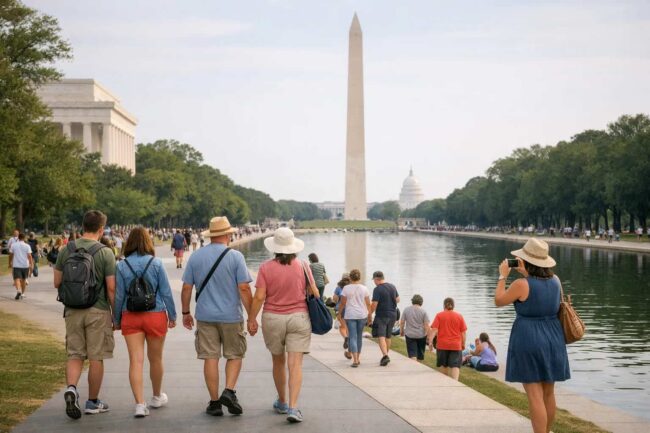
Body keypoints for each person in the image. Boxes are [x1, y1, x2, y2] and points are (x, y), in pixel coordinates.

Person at [495, 238, 570, 433]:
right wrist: (527, 273)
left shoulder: (521, 284)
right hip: (554, 337)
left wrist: (503, 277)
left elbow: (499, 300)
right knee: (548, 393)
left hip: (529, 337)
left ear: (526, 261)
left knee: (534, 395)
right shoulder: (556, 280)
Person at [181, 217, 253, 417]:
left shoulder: (196, 257)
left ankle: (214, 403)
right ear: (228, 234)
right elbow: (244, 288)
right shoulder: (236, 257)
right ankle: (229, 391)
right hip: (231, 316)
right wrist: (252, 316)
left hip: (205, 316)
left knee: (210, 357)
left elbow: (187, 287)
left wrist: (186, 312)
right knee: (235, 354)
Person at [248, 228, 319, 423]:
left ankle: (282, 401)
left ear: (275, 248)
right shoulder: (304, 266)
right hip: (299, 317)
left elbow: (260, 296)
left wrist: (252, 319)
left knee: (278, 361)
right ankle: (294, 408)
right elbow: (316, 294)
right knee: (295, 364)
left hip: (273, 318)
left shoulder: (265, 268)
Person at [53, 210, 117, 419]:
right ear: (101, 229)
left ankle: (72, 388)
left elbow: (57, 282)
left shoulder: (66, 249)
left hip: (72, 310)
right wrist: (115, 314)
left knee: (75, 354)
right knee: (96, 357)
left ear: (82, 226)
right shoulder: (106, 252)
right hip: (97, 310)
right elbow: (111, 288)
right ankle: (93, 401)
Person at [114, 227, 177, 417]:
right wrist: (172, 316)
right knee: (156, 358)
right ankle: (157, 396)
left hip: (131, 316)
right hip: (155, 314)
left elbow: (118, 296)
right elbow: (166, 291)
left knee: (136, 360)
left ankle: (140, 404)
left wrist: (116, 319)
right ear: (148, 242)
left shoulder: (122, 266)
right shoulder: (156, 263)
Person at [337, 269, 371, 368]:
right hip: (362, 315)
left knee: (352, 336)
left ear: (350, 278)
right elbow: (368, 303)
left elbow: (342, 303)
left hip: (350, 315)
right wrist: (369, 315)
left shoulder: (346, 288)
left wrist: (339, 313)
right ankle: (358, 358)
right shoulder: (364, 288)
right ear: (359, 277)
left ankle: (355, 359)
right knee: (359, 336)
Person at [427, 297, 466, 381]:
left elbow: (434, 330)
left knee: (443, 365)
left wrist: (430, 342)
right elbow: (463, 333)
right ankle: (455, 383)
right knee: (455, 366)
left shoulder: (439, 315)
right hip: (456, 345)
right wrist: (463, 344)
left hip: (442, 345)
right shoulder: (459, 316)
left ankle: (444, 385)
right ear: (453, 306)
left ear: (444, 305)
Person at [368, 270, 400, 366]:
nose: (374, 282)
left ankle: (385, 356)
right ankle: (386, 355)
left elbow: (374, 304)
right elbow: (398, 300)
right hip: (393, 314)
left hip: (382, 315)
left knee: (381, 335)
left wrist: (370, 314)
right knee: (388, 336)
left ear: (377, 279)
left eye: (374, 280)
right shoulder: (392, 286)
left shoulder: (377, 289)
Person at [400, 294, 430, 362]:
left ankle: (413, 365)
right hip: (421, 335)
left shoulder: (406, 310)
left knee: (412, 353)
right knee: (420, 354)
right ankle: (418, 367)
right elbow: (426, 325)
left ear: (412, 301)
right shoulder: (423, 311)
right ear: (421, 302)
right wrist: (428, 336)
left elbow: (402, 322)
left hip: (410, 335)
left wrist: (401, 331)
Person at [332, 274, 351, 359]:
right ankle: (348, 338)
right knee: (348, 327)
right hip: (350, 309)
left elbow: (335, 298)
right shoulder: (352, 287)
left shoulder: (338, 287)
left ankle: (346, 337)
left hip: (340, 309)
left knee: (342, 327)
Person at [10, 233, 33, 300]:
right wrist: (31, 264)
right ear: (24, 238)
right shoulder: (27, 246)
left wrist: (10, 262)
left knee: (16, 278)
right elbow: (29, 256)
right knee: (23, 280)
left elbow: (11, 254)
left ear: (18, 238)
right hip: (25, 265)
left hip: (16, 265)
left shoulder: (13, 245)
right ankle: (22, 293)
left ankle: (18, 290)